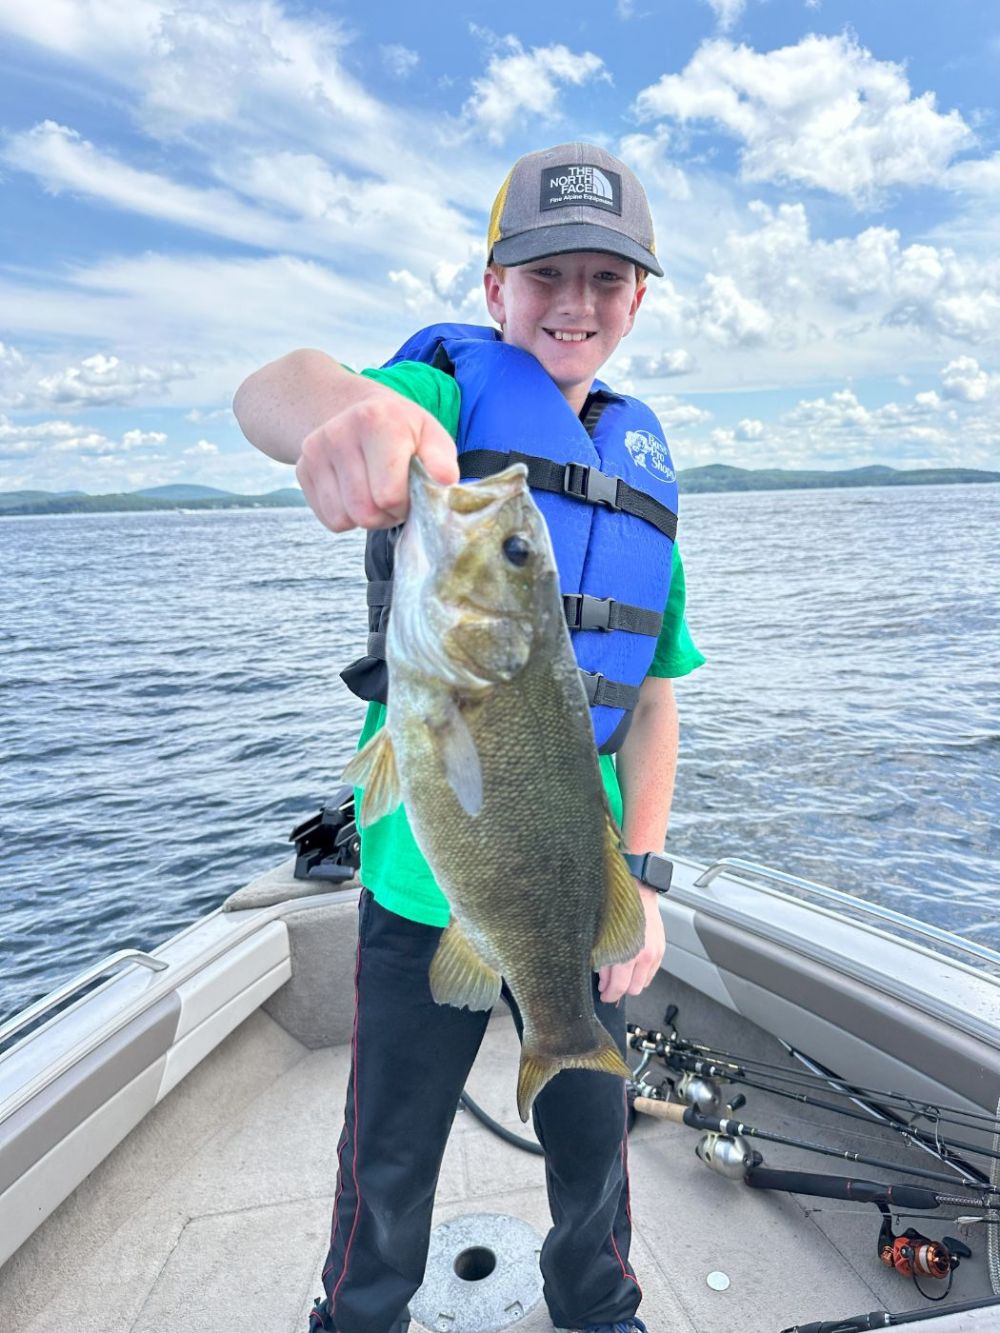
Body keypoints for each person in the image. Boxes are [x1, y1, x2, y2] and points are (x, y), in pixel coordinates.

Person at [233, 142, 704, 1333]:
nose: (574, 302)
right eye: (544, 274)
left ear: (636, 303)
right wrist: (348, 413)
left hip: (577, 884)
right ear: (494, 289)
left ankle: (599, 1309)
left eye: (606, 278)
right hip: (415, 888)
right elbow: (275, 391)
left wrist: (642, 877)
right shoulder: (440, 401)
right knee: (389, 1155)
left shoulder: (644, 486)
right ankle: (359, 1317)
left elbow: (653, 698)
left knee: (594, 1145)